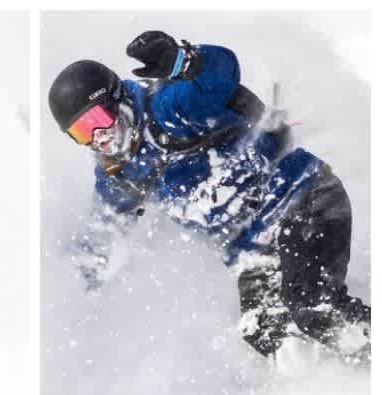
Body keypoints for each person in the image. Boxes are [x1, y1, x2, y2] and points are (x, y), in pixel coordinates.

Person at [48, 31, 370, 360]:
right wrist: (76, 287)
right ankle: (337, 385)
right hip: (253, 252)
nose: (99, 138)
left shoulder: (167, 110)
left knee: (311, 305)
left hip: (301, 198)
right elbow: (104, 228)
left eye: (97, 120)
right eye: (82, 133)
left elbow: (221, 75)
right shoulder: (120, 175)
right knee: (267, 333)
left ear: (116, 98)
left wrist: (183, 61)